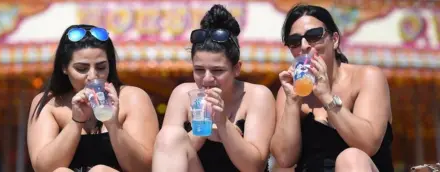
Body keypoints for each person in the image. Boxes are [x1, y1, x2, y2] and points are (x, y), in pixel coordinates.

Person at [152, 4, 276, 172]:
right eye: (199, 70)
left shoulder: (257, 95)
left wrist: (223, 124)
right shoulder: (183, 94)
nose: (207, 78)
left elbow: (254, 167)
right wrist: (204, 126)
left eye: (218, 71)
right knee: (169, 135)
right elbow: (167, 153)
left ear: (237, 68)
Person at [270, 4, 394, 172]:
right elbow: (284, 159)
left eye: (314, 36)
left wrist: (327, 97)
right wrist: (292, 103)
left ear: (334, 40)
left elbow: (368, 144)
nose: (304, 45)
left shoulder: (366, 77)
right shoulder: (289, 92)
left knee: (350, 159)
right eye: (294, 41)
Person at [27, 24, 159, 172]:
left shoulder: (132, 98)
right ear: (64, 68)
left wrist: (114, 125)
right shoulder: (49, 104)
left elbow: (143, 168)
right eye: (82, 69)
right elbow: (44, 169)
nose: (93, 76)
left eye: (101, 67)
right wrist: (76, 122)